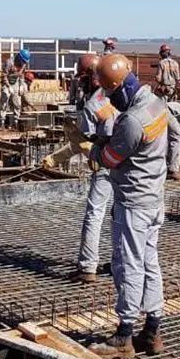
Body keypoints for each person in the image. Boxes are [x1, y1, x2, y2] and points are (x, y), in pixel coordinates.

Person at [87, 54, 169, 359]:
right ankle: (152, 331)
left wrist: (94, 149)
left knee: (129, 264)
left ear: (120, 87)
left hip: (133, 203)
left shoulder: (132, 120)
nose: (110, 99)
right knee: (150, 263)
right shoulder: (156, 104)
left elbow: (110, 159)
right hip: (154, 198)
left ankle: (124, 335)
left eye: (110, 92)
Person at [70, 54, 119, 284]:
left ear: (92, 77)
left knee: (95, 212)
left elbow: (85, 141)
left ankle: (88, 267)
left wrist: (71, 139)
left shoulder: (92, 105)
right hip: (126, 163)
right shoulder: (120, 96)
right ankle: (121, 261)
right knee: (121, 213)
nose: (81, 84)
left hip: (104, 162)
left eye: (83, 79)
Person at [0, 49, 34, 129]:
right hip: (6, 83)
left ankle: (16, 121)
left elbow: (21, 75)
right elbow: (4, 76)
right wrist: (8, 86)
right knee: (4, 101)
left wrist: (21, 85)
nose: (24, 63)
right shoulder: (9, 63)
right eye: (23, 61)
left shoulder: (23, 64)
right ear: (19, 58)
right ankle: (2, 122)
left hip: (15, 83)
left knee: (17, 103)